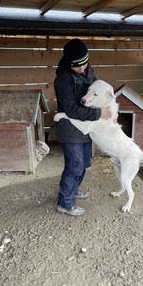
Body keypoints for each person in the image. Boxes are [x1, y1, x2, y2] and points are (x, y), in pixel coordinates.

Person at [54, 38, 111, 216]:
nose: (83, 69)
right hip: (70, 127)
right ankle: (66, 202)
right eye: (77, 66)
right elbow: (70, 109)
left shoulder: (86, 67)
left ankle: (74, 189)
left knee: (85, 162)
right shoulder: (63, 79)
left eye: (85, 64)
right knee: (75, 165)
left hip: (87, 126)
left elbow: (97, 91)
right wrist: (98, 114)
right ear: (69, 64)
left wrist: (109, 112)